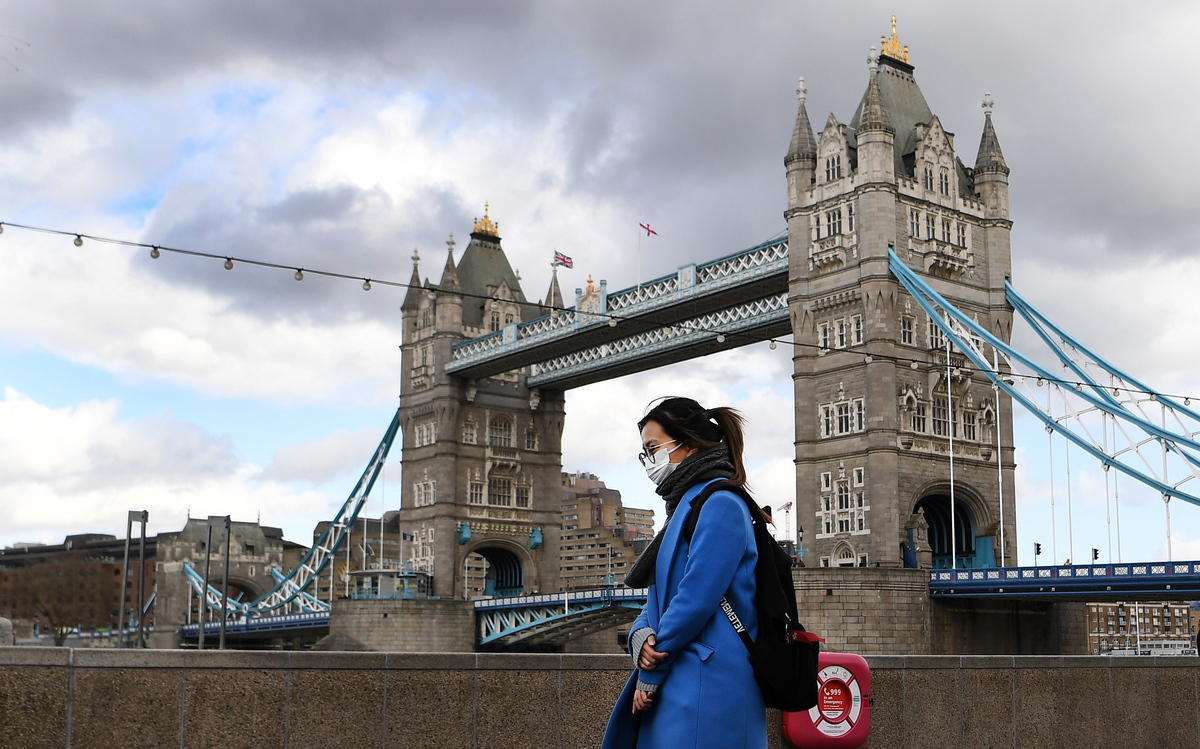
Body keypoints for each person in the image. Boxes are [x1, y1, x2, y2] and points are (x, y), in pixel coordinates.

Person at [602, 397, 766, 749]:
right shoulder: (684, 508)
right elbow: (661, 595)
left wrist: (652, 667)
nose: (649, 462)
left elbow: (695, 598)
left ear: (688, 443)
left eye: (653, 448)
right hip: (685, 676)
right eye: (644, 453)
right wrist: (640, 637)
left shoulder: (721, 504)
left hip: (709, 681)